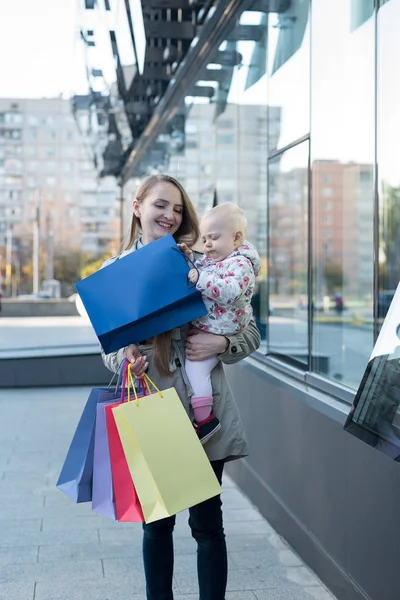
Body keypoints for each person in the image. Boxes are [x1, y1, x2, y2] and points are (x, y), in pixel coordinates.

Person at [101, 174, 260, 600]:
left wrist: (222, 341)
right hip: (154, 407)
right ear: (137, 207)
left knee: (208, 525)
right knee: (159, 523)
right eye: (160, 205)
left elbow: (251, 330)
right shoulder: (114, 274)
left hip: (204, 412)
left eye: (176, 208)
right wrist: (125, 359)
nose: (169, 215)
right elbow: (109, 348)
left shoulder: (202, 260)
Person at [179, 202, 261, 444]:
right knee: (195, 373)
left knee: (197, 372)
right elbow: (199, 266)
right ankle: (202, 418)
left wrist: (201, 279)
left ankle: (205, 421)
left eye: (213, 238)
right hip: (211, 326)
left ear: (237, 238)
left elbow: (230, 291)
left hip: (221, 328)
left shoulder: (240, 264)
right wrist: (188, 259)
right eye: (204, 239)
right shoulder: (217, 258)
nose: (207, 246)